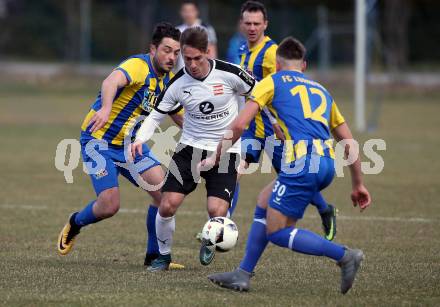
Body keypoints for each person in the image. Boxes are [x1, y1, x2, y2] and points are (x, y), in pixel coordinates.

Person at [201, 37, 372, 294]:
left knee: (278, 232)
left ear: (277, 66)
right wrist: (358, 183)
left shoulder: (271, 81)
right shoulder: (322, 91)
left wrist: (215, 157)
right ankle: (243, 274)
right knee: (263, 200)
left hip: (301, 165)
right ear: (303, 65)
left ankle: (345, 255)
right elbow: (349, 143)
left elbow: (239, 125)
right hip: (326, 164)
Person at [57, 22, 184, 268]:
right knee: (109, 206)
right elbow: (110, 82)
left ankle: (154, 257)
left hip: (130, 146)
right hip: (98, 140)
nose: (171, 57)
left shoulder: (169, 83)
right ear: (153, 49)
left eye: (176, 53)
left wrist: (207, 136)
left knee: (164, 197)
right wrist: (105, 108)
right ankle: (75, 222)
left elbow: (179, 118)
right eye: (167, 50)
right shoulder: (138, 66)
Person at [131, 27, 255, 271]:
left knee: (216, 211)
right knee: (167, 205)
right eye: (186, 59)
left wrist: (272, 125)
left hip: (225, 151)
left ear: (207, 52)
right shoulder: (178, 83)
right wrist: (140, 139)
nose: (192, 64)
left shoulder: (230, 73)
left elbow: (260, 94)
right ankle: (163, 257)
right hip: (189, 149)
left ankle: (210, 238)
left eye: (197, 58)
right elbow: (156, 116)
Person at [236, 0, 338, 241]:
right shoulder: (243, 50)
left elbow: (280, 90)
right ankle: (219, 224)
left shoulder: (272, 53)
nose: (252, 28)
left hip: (275, 129)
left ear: (265, 25)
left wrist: (275, 123)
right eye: (248, 23)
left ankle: (324, 208)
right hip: (252, 128)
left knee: (292, 175)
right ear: (242, 24)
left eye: (257, 24)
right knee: (233, 171)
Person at [175, 1, 218, 70]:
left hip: (201, 72)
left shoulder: (206, 28)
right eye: (185, 11)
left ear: (197, 11)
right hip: (181, 72)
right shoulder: (177, 30)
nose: (188, 14)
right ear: (181, 12)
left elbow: (212, 53)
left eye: (191, 10)